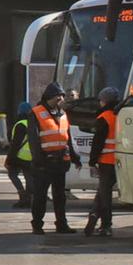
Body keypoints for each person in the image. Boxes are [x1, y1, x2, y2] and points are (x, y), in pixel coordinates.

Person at [29, 82, 82, 235]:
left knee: (60, 197)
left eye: (62, 96)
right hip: (44, 164)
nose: (61, 99)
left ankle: (61, 224)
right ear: (50, 97)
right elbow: (34, 140)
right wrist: (38, 161)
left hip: (60, 163)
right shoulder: (36, 112)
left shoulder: (63, 114)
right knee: (40, 197)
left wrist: (75, 157)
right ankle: (37, 225)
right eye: (59, 96)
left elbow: (68, 137)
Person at [85, 87, 120, 237]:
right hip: (120, 161)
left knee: (105, 195)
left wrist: (92, 161)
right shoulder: (120, 116)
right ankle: (94, 214)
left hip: (106, 161)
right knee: (102, 192)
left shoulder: (103, 118)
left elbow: (97, 143)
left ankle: (106, 225)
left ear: (104, 101)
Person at [5, 102, 34, 208]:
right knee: (29, 177)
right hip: (32, 156)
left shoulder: (20, 124)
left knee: (12, 174)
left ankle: (23, 196)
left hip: (20, 156)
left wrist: (9, 159)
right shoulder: (34, 123)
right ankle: (29, 199)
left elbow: (15, 144)